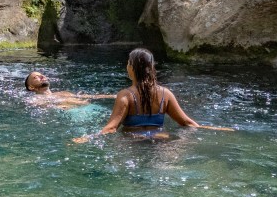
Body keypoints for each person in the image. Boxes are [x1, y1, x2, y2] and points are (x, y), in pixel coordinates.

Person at [73, 48, 222, 142]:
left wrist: (88, 138)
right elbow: (187, 123)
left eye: (128, 63)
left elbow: (111, 129)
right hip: (160, 141)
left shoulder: (125, 96)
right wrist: (212, 129)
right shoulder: (166, 94)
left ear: (131, 67)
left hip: (133, 143)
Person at [24, 71, 114, 108]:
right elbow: (44, 108)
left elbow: (90, 96)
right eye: (36, 77)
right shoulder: (34, 100)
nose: (42, 76)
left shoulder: (63, 93)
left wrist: (113, 96)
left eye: (41, 75)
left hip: (91, 108)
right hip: (72, 115)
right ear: (31, 87)